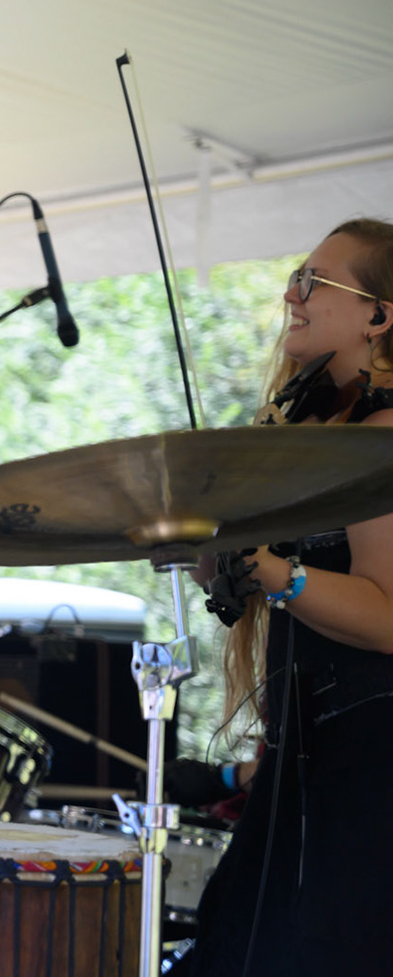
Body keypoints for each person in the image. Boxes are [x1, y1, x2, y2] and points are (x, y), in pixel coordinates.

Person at [178, 217, 393, 977]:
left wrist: (279, 575)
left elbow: (387, 615)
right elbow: (238, 576)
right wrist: (209, 543)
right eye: (293, 278)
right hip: (306, 755)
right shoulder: (312, 423)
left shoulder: (382, 431)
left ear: (378, 316)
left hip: (366, 770)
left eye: (313, 280)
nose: (291, 295)